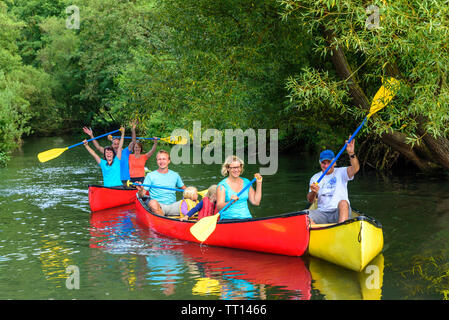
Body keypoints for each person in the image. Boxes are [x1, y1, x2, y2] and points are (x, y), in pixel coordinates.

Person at [307, 137, 360, 224]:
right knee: (304, 216)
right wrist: (313, 192)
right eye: (324, 163)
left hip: (338, 212)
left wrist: (351, 153)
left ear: (334, 162)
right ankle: (318, 234)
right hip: (322, 213)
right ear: (320, 163)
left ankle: (341, 229)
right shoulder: (315, 178)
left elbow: (356, 168)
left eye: (329, 162)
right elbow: (310, 200)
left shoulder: (342, 172)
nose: (326, 165)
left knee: (343, 203)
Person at [83, 120, 137, 186]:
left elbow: (134, 142)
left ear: (120, 144)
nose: (116, 146)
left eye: (118, 144)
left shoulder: (125, 151)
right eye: (115, 144)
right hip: (113, 182)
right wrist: (91, 136)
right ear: (112, 145)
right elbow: (98, 147)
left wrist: (133, 130)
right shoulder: (109, 153)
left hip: (125, 180)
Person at [136, 150, 186, 216]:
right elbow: (141, 195)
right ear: (157, 161)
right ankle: (165, 220)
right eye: (159, 159)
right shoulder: (150, 175)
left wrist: (192, 192)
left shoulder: (175, 175)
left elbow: (185, 189)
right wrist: (140, 190)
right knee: (152, 203)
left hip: (173, 206)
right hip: (158, 206)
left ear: (169, 161)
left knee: (190, 200)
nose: (162, 161)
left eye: (164, 159)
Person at [216, 155, 262, 220]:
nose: (236, 170)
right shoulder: (222, 185)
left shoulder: (246, 182)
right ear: (228, 168)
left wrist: (259, 183)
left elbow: (256, 202)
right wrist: (230, 202)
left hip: (246, 218)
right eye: (233, 168)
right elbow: (219, 207)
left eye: (238, 167)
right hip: (228, 219)